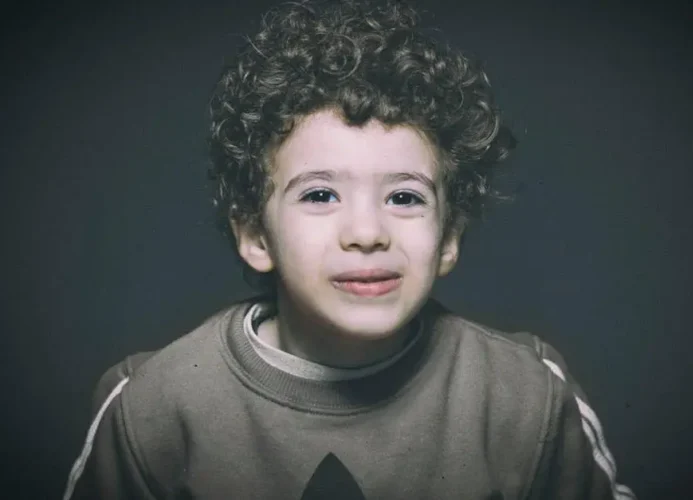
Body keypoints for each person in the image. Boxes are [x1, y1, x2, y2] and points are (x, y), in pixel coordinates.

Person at [63, 0, 636, 498]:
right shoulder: (154, 406)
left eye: (406, 197)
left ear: (449, 239)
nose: (367, 231)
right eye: (319, 194)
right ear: (255, 237)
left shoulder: (524, 393)